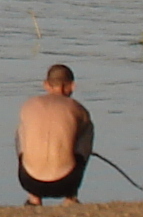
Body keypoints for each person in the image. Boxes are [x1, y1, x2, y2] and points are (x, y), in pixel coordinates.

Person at [16, 63, 93, 206]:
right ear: (72, 86)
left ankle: (34, 198)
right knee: (87, 128)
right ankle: (70, 197)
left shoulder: (29, 105)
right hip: (67, 182)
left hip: (29, 180)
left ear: (46, 85)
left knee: (23, 129)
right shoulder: (78, 109)